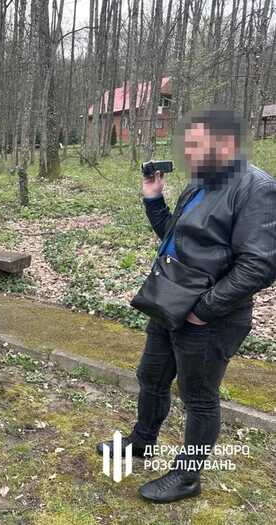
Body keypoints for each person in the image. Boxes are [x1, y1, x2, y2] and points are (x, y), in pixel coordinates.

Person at [96, 108, 276, 503]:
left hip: (211, 318)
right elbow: (176, 240)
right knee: (151, 376)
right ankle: (142, 442)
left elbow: (260, 266)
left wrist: (203, 310)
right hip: (171, 303)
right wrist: (154, 200)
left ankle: (187, 477)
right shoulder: (200, 183)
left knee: (198, 396)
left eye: (197, 144)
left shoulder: (255, 187)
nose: (188, 152)